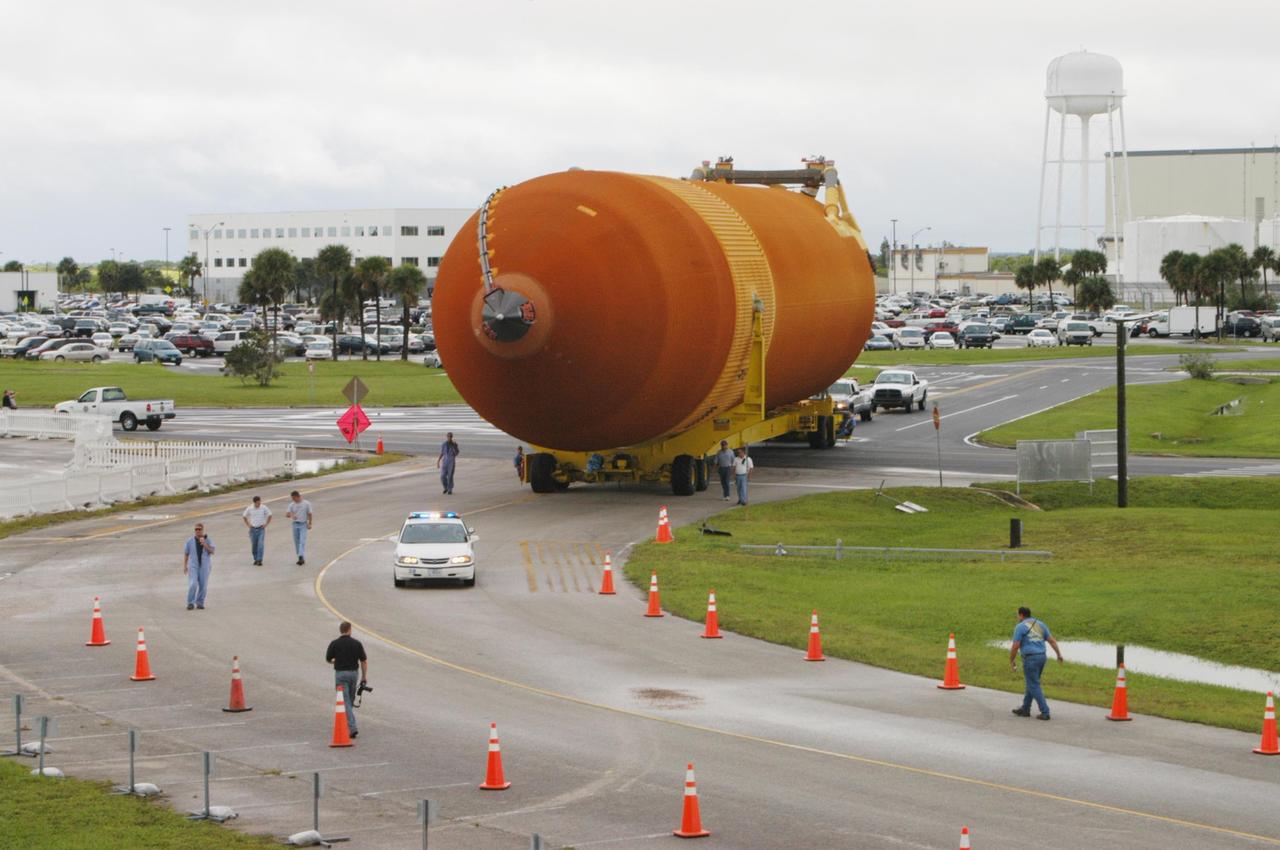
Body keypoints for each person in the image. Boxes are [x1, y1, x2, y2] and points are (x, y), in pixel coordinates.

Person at [1010, 606, 1064, 720]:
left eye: (1017, 615)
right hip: (1042, 657)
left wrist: (1012, 660)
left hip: (1030, 658)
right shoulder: (1040, 624)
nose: (1017, 617)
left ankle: (1045, 711)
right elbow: (1052, 640)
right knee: (1032, 683)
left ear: (1021, 615)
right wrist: (1058, 654)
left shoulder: (1020, 627)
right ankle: (1025, 709)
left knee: (1033, 685)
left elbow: (1015, 646)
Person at [325, 621, 368, 739]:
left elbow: (328, 659)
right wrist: (364, 677)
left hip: (341, 675)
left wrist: (335, 661)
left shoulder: (334, 643)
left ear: (341, 630)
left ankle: (352, 727)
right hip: (354, 674)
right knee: (350, 699)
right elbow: (363, 661)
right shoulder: (356, 643)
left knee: (345, 701)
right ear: (349, 630)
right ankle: (349, 723)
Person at [182, 522, 215, 610]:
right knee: (193, 584)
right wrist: (185, 566)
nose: (197, 531)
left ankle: (200, 602)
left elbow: (212, 551)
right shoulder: (190, 541)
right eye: (196, 529)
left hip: (204, 566)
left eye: (199, 529)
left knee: (203, 585)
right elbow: (186, 553)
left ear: (202, 530)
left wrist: (204, 544)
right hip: (193, 565)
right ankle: (190, 602)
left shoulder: (208, 540)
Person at [285, 490, 314, 566]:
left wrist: (310, 523)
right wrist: (292, 515)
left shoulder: (306, 504)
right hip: (295, 524)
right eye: (292, 499)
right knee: (296, 541)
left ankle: (301, 556)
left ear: (298, 496)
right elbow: (287, 514)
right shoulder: (292, 505)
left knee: (302, 541)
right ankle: (300, 557)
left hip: (303, 524)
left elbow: (310, 513)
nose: (293, 500)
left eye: (294, 498)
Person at [242, 495, 272, 566]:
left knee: (260, 545)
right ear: (254, 503)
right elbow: (244, 516)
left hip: (261, 529)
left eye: (259, 502)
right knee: (254, 546)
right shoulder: (250, 508)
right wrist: (248, 525)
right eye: (257, 503)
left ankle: (259, 559)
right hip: (253, 529)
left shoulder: (263, 507)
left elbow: (270, 515)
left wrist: (266, 524)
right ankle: (255, 559)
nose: (259, 504)